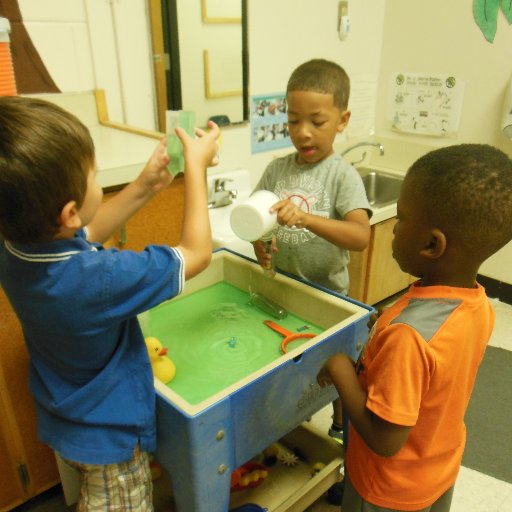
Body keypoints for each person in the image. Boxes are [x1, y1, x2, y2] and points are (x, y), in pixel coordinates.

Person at [0, 96, 220, 510]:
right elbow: (197, 253)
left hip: (64, 420)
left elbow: (84, 235)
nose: (97, 181)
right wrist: (195, 167)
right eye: (94, 176)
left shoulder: (14, 249)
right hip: (111, 444)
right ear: (68, 212)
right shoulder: (101, 279)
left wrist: (145, 186)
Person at [317, 144, 512, 512]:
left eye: (401, 220)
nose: (393, 229)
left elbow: (384, 438)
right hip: (436, 472)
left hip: (385, 489)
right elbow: (435, 372)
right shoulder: (479, 305)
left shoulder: (408, 336)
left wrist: (342, 370)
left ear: (431, 244)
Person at [252, 58, 372, 444]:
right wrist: (260, 244)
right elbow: (259, 218)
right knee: (289, 363)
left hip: (328, 297)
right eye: (292, 121)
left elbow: (359, 236)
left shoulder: (342, 175)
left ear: (342, 119)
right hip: (286, 292)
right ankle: (287, 418)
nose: (302, 133)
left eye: (316, 122)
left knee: (337, 369)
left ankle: (340, 428)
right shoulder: (276, 171)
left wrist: (307, 218)